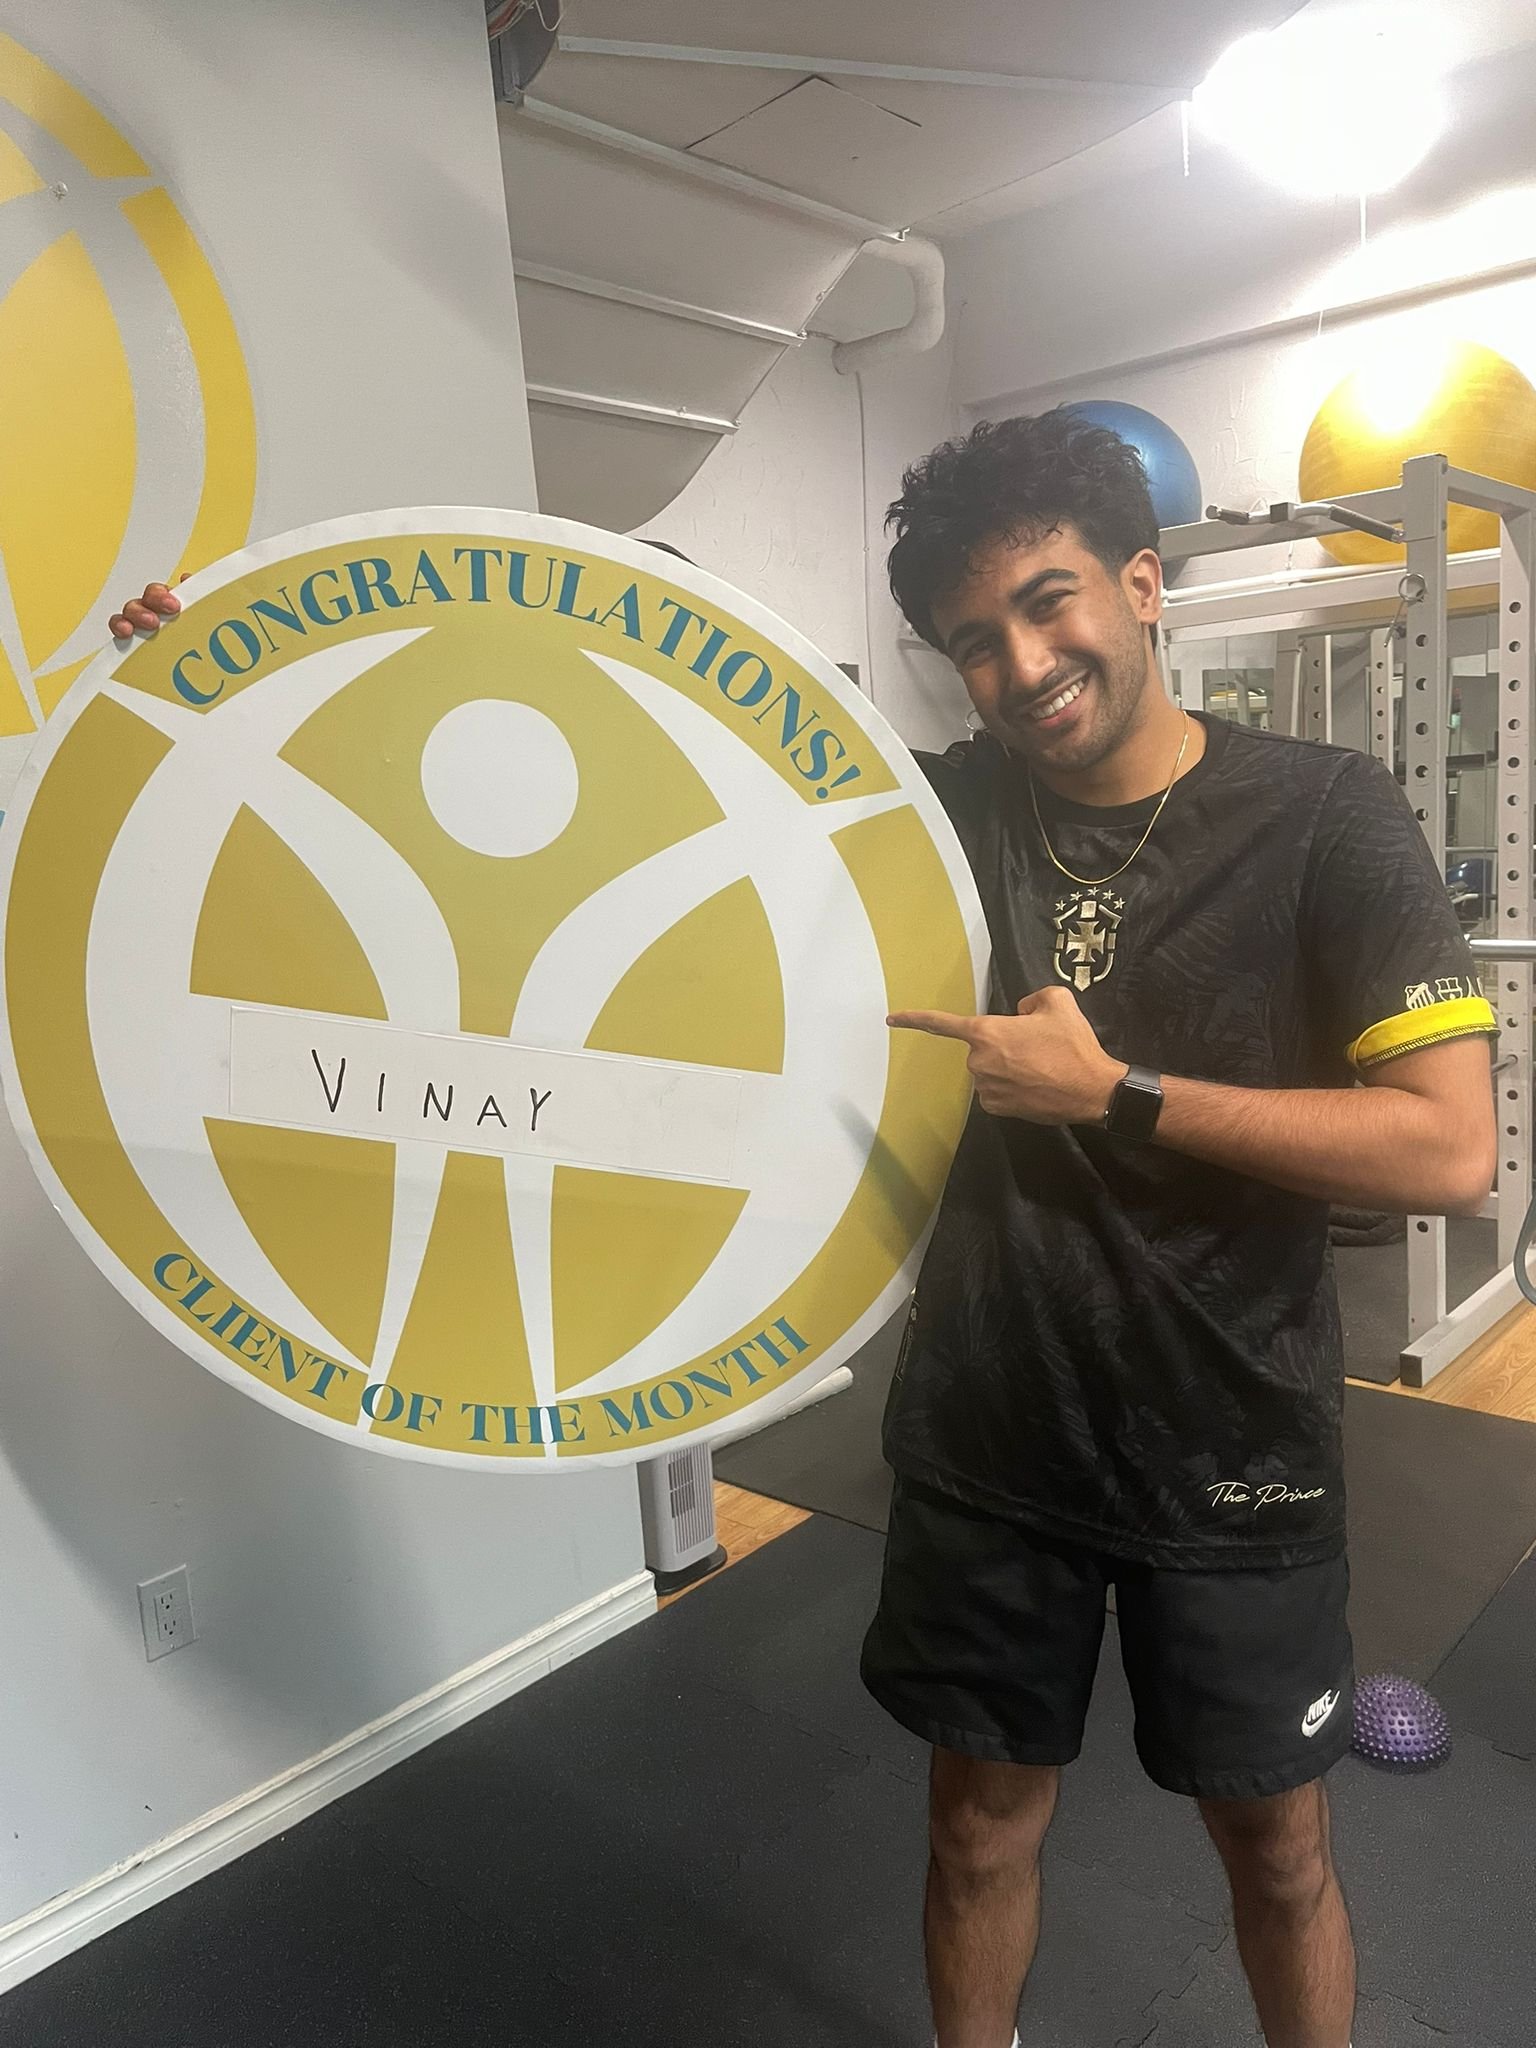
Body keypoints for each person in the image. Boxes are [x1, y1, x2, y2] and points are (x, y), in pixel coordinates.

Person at [864, 410, 1497, 2048]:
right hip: (992, 1430)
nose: (1022, 665)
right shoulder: (935, 820)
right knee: (975, 1829)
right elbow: (675, 815)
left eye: (1049, 601)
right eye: (975, 641)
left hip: (1232, 1436)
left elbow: (1448, 1148)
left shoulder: (1325, 813)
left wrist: (1117, 1096)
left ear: (1142, 585)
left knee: (1276, 1849)